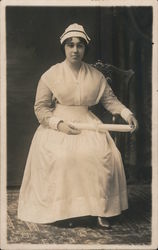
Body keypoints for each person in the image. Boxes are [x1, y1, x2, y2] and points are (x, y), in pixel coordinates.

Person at [18, 23, 138, 229]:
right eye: (70, 45)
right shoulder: (51, 74)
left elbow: (110, 101)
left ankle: (101, 210)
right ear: (64, 48)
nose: (75, 50)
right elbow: (41, 108)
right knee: (63, 157)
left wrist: (127, 114)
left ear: (85, 49)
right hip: (58, 125)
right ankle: (63, 212)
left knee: (101, 156)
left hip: (89, 125)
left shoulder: (96, 76)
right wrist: (59, 124)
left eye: (80, 46)